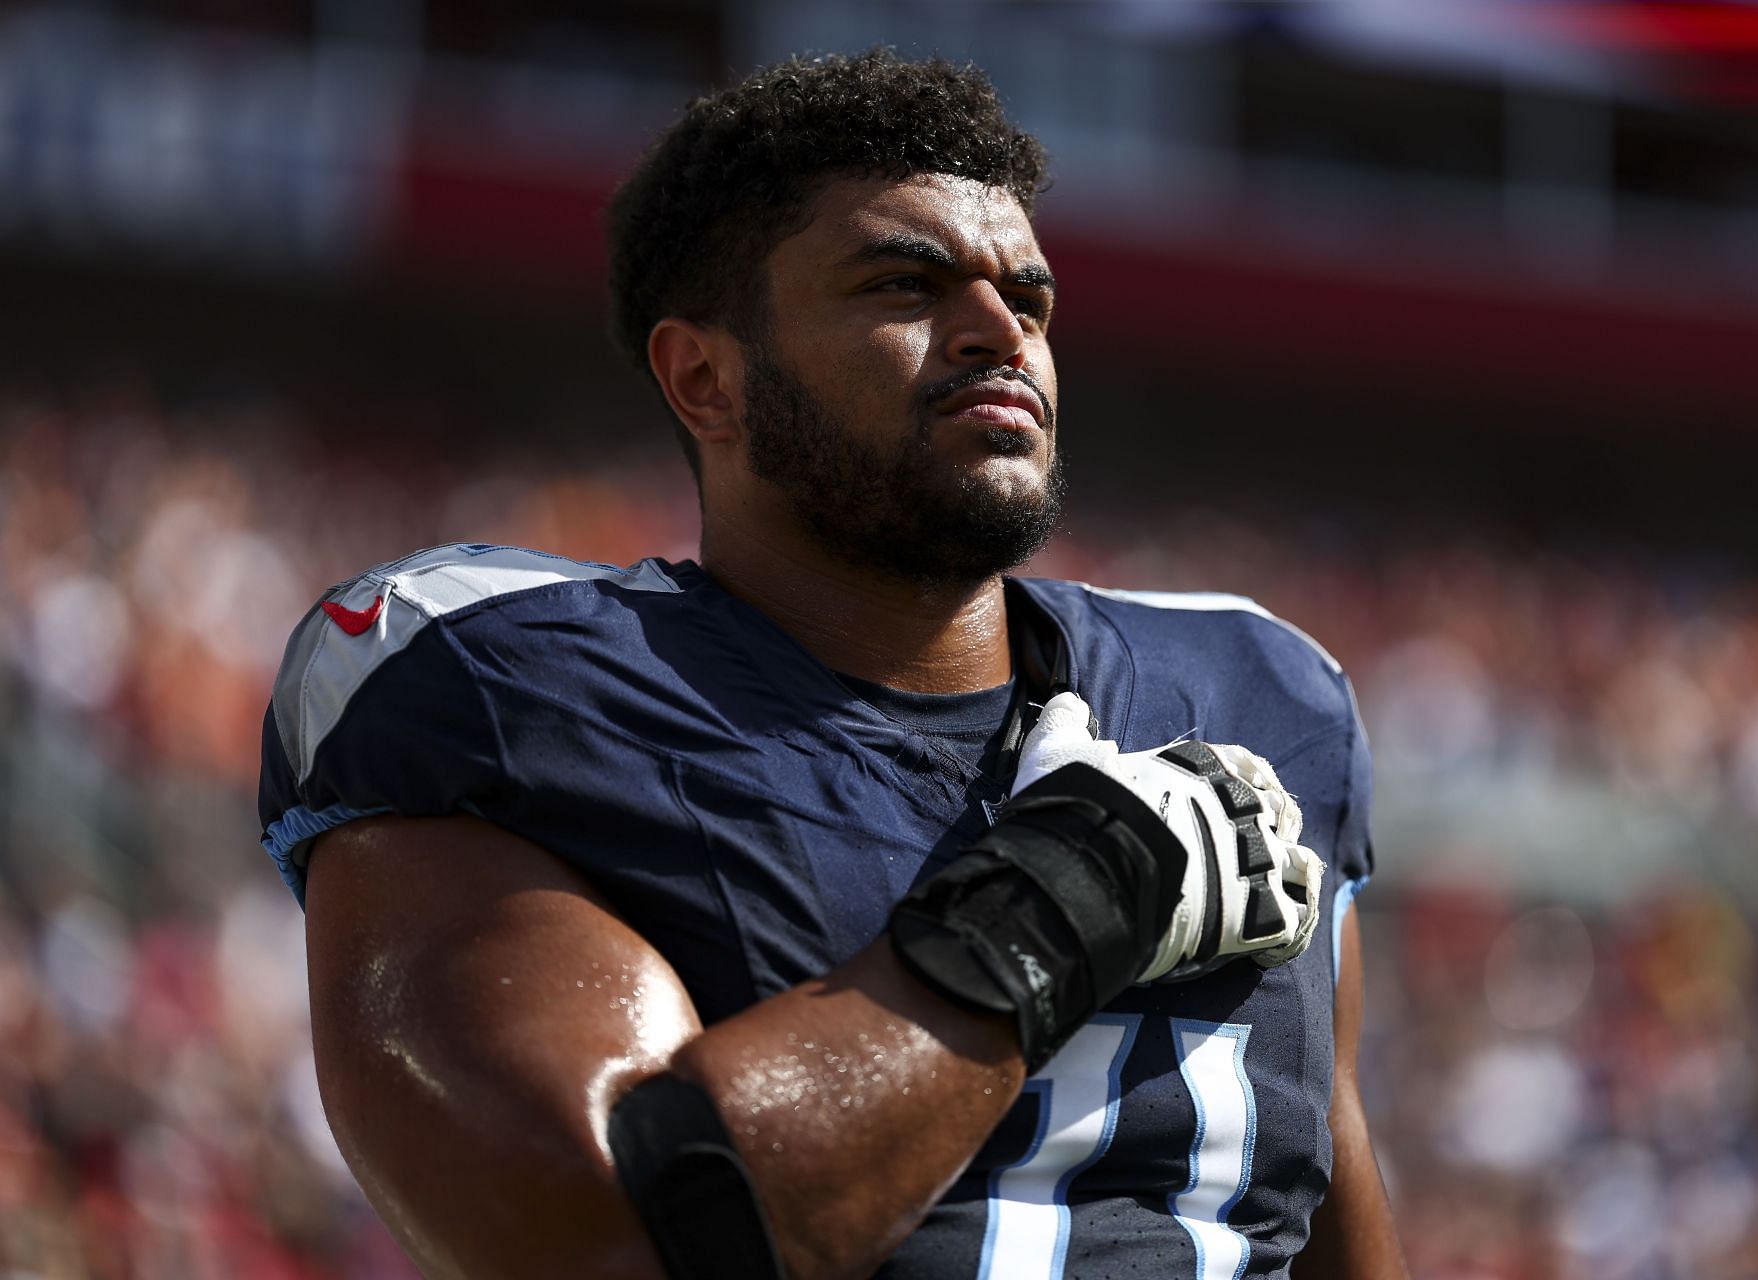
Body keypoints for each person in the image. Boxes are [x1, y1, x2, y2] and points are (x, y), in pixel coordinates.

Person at [257, 49, 1408, 1280]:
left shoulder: (1262, 689)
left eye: (1028, 296)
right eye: (905, 284)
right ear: (705, 376)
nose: (996, 330)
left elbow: (1317, 1186)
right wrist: (1063, 902)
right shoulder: (507, 681)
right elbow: (601, 1231)